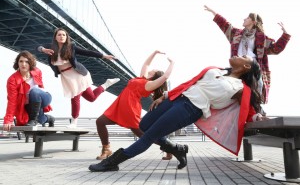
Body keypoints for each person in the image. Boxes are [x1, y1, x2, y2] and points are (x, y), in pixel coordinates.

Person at [88, 55, 269, 172]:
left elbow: (248, 108)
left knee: (149, 135)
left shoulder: (240, 88)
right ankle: (177, 149)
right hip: (176, 99)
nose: (238, 54)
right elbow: (190, 83)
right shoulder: (217, 70)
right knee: (142, 126)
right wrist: (165, 96)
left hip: (192, 108)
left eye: (243, 56)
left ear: (245, 66)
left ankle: (112, 162)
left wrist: (256, 117)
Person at [95, 50, 174, 160]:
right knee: (100, 121)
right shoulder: (142, 78)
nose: (153, 68)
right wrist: (154, 53)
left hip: (130, 108)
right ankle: (106, 149)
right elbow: (146, 64)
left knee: (142, 135)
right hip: (119, 106)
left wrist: (172, 63)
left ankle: (170, 148)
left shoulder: (150, 84)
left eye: (155, 69)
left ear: (155, 75)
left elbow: (165, 77)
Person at [204, 5, 291, 104]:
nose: (244, 19)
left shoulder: (261, 38)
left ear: (253, 22)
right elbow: (225, 25)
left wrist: (285, 35)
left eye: (248, 18)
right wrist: (214, 13)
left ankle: (257, 107)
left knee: (258, 85)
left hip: (252, 67)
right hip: (238, 65)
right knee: (226, 83)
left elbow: (276, 49)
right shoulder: (236, 34)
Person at [37, 28, 120, 128]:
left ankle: (74, 122)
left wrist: (104, 56)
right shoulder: (50, 47)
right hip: (66, 77)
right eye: (59, 35)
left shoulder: (71, 47)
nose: (61, 36)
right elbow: (37, 47)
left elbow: (87, 52)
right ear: (55, 37)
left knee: (75, 97)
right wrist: (43, 50)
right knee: (91, 98)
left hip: (77, 75)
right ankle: (107, 84)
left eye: (64, 35)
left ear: (66, 37)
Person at [3, 51, 54, 131]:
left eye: (26, 61)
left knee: (34, 92)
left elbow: (40, 86)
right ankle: (50, 118)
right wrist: (8, 120)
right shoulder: (12, 80)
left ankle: (33, 120)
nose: (23, 64)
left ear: (30, 63)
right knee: (41, 119)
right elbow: (12, 101)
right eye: (21, 61)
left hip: (44, 97)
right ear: (17, 63)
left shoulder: (37, 71)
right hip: (31, 105)